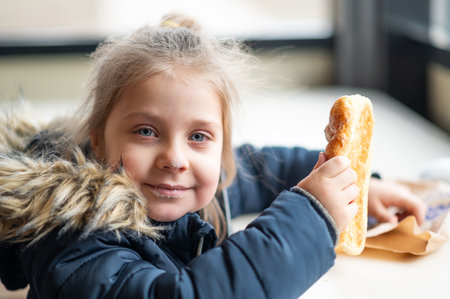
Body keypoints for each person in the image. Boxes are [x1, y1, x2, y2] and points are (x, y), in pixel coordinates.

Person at [0, 14, 426, 299]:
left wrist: (360, 188)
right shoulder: (73, 237)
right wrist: (311, 217)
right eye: (146, 131)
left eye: (199, 136)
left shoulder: (196, 183)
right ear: (99, 138)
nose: (175, 158)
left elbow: (265, 168)